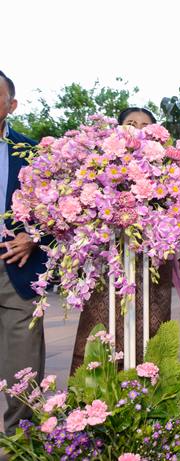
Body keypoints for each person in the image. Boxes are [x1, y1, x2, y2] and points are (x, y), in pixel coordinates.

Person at [70, 107, 173, 373]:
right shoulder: (99, 165)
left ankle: (147, 394)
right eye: (130, 123)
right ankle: (93, 397)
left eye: (145, 124)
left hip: (151, 265)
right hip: (108, 262)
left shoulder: (168, 171)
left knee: (150, 328)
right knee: (102, 328)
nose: (137, 128)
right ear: (117, 129)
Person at [0, 70, 48, 434]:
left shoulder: (31, 152)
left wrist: (33, 236)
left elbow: (57, 208)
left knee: (22, 368)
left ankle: (21, 440)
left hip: (16, 268)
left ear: (11, 105)